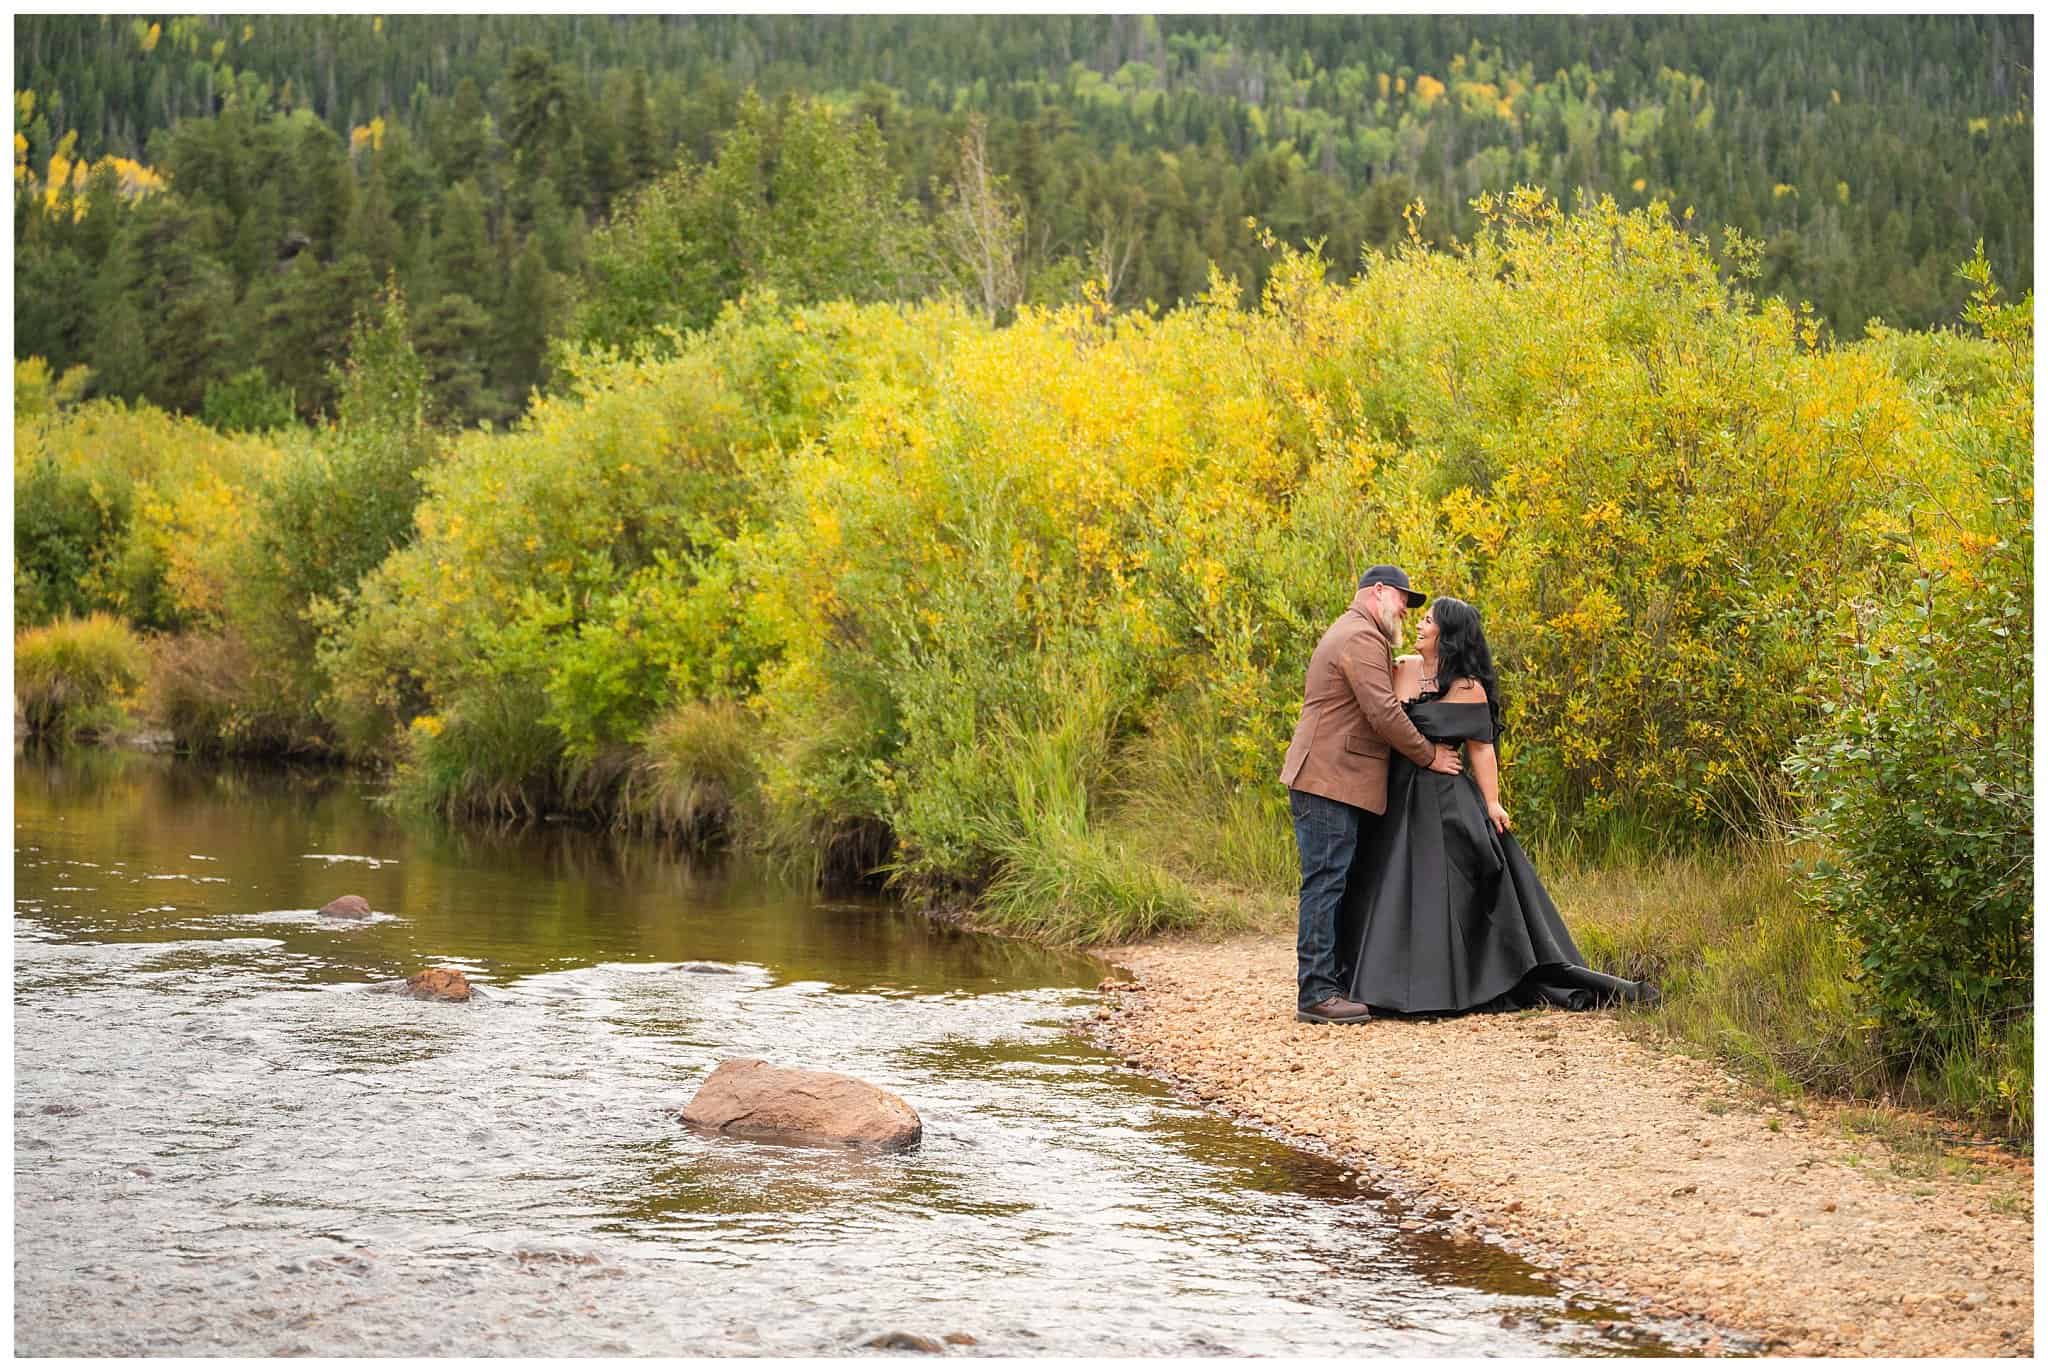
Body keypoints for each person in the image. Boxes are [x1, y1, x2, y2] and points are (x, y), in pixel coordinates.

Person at [1339, 596, 1658, 1015]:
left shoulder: (1469, 687)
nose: (1419, 625)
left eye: (1429, 621)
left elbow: (1481, 749)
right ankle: (1374, 980)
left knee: (1444, 889)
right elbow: (1385, 723)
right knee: (1387, 885)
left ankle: (1448, 984)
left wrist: (1492, 803)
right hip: (1395, 795)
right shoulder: (1403, 668)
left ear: (1448, 635)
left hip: (1444, 797)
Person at [1280, 565, 1465, 1025]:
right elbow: (1382, 712)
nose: (1405, 609)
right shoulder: (1360, 638)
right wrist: (1429, 756)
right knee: (1326, 882)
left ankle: (1330, 983)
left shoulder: (1359, 636)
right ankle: (1317, 993)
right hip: (1328, 779)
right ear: (1378, 592)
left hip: (1332, 777)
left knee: (1334, 880)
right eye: (1403, 599)